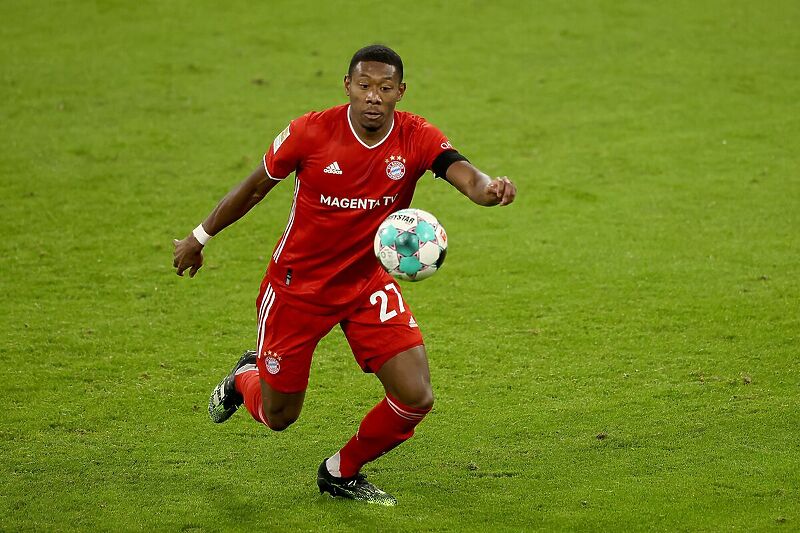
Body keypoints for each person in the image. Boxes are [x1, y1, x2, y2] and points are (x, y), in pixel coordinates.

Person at [172, 44, 517, 506]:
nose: (374, 96)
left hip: (365, 285)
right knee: (278, 416)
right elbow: (255, 187)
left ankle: (341, 472)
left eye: (385, 88)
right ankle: (244, 378)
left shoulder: (416, 137)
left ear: (400, 92)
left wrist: (490, 189)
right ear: (348, 87)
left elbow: (465, 174)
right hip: (298, 289)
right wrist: (199, 237)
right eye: (365, 86)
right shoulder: (310, 133)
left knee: (415, 397)